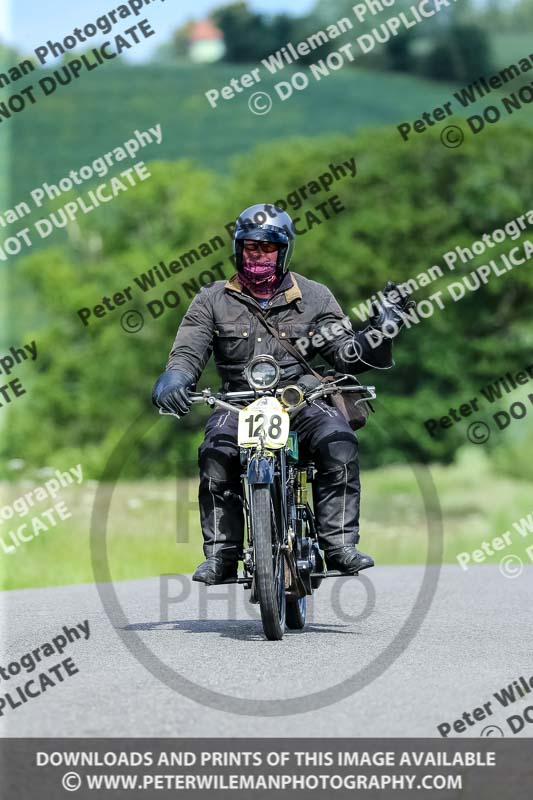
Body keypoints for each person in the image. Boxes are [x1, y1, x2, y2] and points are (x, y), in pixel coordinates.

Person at [152, 204, 411, 585]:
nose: (258, 255)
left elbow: (344, 353)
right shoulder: (211, 300)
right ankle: (222, 555)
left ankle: (338, 545)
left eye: (267, 248)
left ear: (283, 250)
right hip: (237, 402)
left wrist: (379, 334)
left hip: (303, 400)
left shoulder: (315, 296)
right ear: (238, 249)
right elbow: (187, 354)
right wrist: (173, 380)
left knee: (338, 443)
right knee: (214, 455)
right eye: (250, 247)